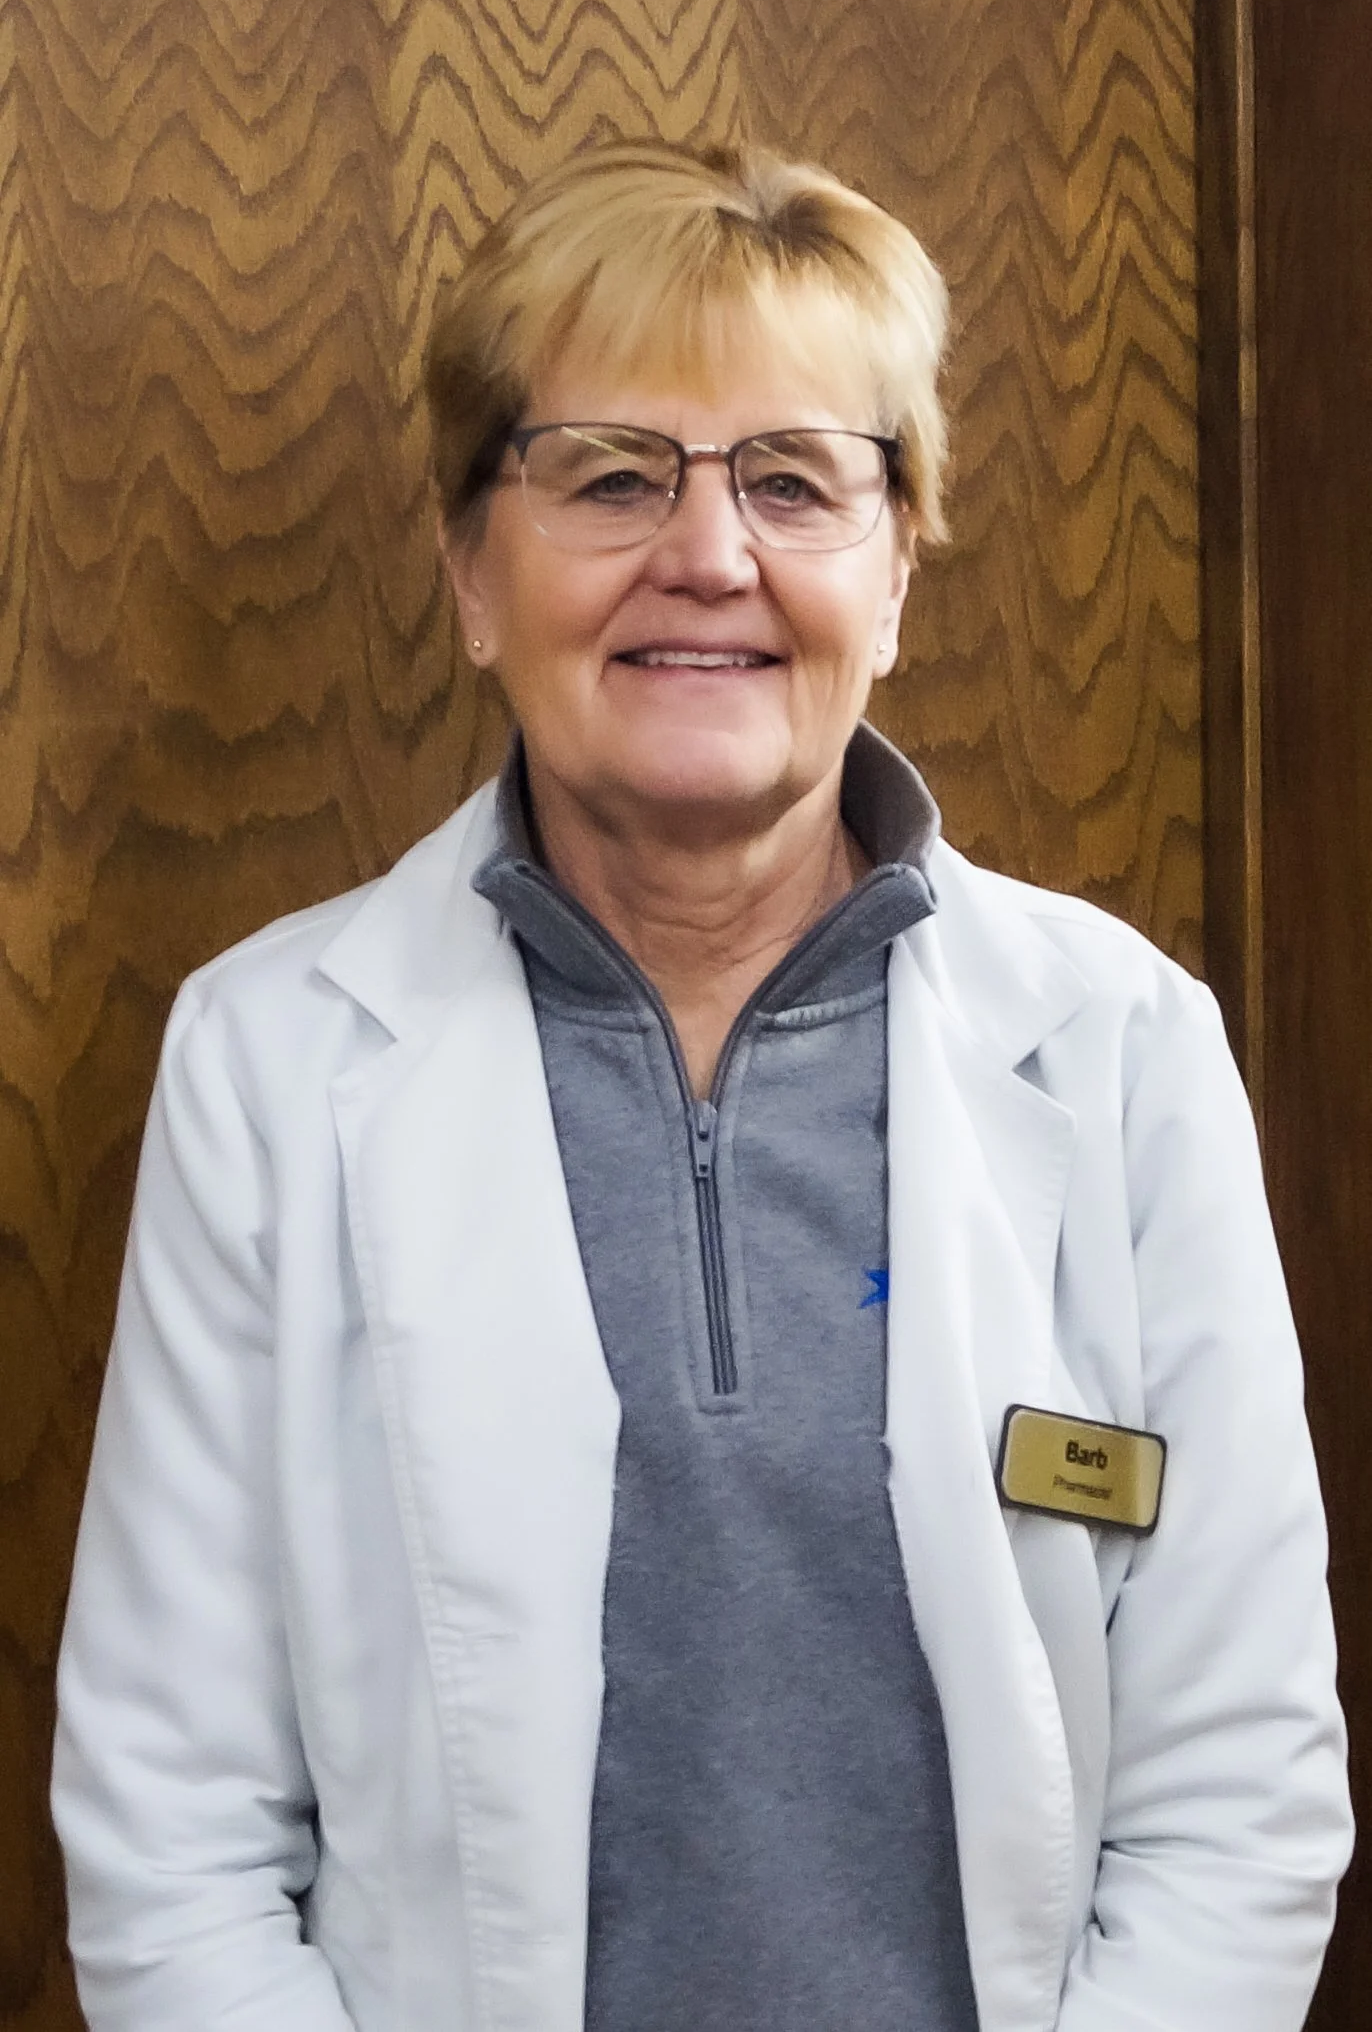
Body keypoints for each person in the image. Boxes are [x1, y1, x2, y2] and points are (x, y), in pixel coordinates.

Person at [52, 140, 1351, 2032]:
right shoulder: (271, 1062)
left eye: (794, 480)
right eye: (610, 475)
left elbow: (1239, 1786)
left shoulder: (1125, 1046)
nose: (710, 554)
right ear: (470, 572)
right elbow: (171, 1831)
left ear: (896, 572)